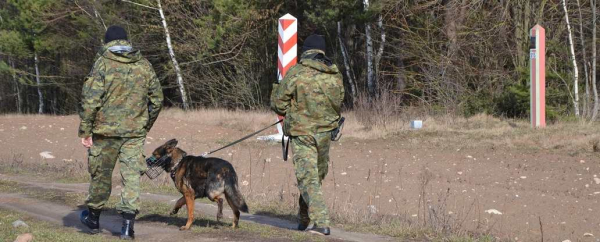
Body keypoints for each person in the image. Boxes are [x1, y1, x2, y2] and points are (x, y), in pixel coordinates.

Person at [78, 25, 163, 240]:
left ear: (107, 42)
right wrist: (144, 125)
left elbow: (90, 101)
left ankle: (93, 219)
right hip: (134, 133)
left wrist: (85, 131)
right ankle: (127, 227)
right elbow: (158, 99)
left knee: (101, 175)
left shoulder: (102, 63)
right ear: (126, 41)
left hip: (104, 133)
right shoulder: (144, 65)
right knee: (132, 178)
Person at [270, 34, 344, 236]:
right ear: (322, 52)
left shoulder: (296, 73)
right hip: (326, 134)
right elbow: (339, 102)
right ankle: (306, 218)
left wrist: (289, 108)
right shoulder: (334, 74)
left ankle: (320, 222)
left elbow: (277, 103)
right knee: (313, 177)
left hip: (302, 133)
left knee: (309, 178)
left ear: (306, 52)